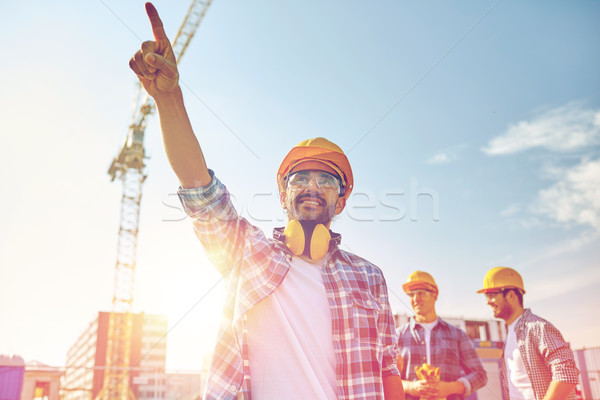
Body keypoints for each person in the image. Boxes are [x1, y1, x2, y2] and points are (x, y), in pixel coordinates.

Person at [128, 3, 403, 399]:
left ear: (341, 201)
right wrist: (168, 100)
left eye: (326, 179)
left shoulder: (370, 277)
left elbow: (387, 367)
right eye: (299, 178)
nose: (311, 185)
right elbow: (199, 188)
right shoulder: (247, 252)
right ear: (283, 196)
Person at [477, 267, 580, 400]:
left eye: (492, 295)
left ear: (511, 295)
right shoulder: (511, 334)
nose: (488, 301)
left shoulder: (538, 327)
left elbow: (567, 373)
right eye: (486, 296)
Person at [396, 271, 487, 400]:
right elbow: (387, 378)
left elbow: (480, 375)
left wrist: (451, 388)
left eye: (421, 293)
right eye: (411, 294)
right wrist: (411, 387)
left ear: (435, 294)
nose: (416, 299)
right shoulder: (397, 336)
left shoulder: (457, 335)